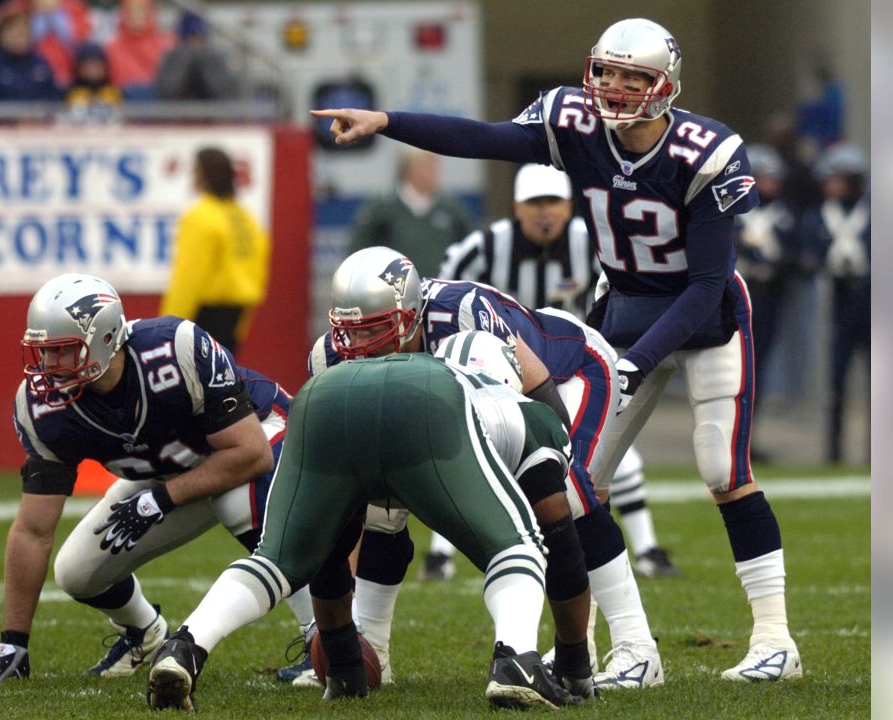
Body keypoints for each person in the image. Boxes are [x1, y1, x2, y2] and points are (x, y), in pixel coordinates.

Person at [311, 17, 803, 681]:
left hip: (707, 320)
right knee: (577, 489)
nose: (617, 88)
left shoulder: (703, 151)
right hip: (624, 309)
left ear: (665, 85)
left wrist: (637, 362)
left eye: (634, 78)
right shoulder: (574, 123)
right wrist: (387, 120)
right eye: (608, 72)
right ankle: (613, 649)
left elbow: (706, 282)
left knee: (722, 470)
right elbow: (482, 139)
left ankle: (774, 639)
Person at [145, 347, 586, 711]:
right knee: (520, 545)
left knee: (277, 559)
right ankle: (516, 659)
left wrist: (343, 663)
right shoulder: (523, 410)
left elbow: (335, 554)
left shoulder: (394, 365)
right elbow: (560, 536)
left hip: (322, 398)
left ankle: (185, 647)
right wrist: (575, 662)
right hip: (428, 410)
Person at [304, 247, 663, 690]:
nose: (358, 346)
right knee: (381, 507)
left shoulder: (463, 315)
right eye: (349, 331)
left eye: (375, 329)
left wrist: (550, 462)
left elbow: (538, 394)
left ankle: (637, 646)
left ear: (409, 315)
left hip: (568, 374)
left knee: (565, 496)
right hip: (490, 402)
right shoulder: (331, 359)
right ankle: (372, 646)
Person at [0, 273, 313, 683]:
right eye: (42, 353)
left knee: (234, 498)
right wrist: (13, 643)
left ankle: (323, 639)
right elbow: (33, 529)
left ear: (102, 341)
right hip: (176, 468)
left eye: (62, 352)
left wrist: (160, 499)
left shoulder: (174, 349)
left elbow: (250, 454)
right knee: (77, 571)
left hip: (264, 435)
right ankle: (145, 632)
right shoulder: (43, 410)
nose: (48, 367)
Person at [439, 162, 680, 579]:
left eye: (552, 202)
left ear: (570, 207)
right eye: (534, 203)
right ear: (517, 207)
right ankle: (441, 554)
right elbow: (443, 287)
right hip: (495, 373)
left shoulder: (593, 245)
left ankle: (648, 549)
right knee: (466, 449)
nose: (544, 212)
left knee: (608, 458)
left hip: (572, 367)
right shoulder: (484, 248)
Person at [160, 147, 271, 355]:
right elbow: (255, 274)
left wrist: (167, 326)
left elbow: (188, 276)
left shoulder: (200, 217)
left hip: (203, 316)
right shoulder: (246, 218)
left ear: (203, 175)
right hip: (236, 315)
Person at [799, 143, 870, 464]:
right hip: (837, 303)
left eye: (836, 178)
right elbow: (806, 252)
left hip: (871, 302)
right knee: (835, 383)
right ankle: (834, 453)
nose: (829, 184)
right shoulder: (820, 216)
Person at [734, 145, 799, 441]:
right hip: (737, 297)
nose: (773, 183)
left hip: (769, 294)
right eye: (766, 176)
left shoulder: (783, 213)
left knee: (756, 369)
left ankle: (747, 439)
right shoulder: (734, 208)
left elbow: (794, 253)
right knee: (731, 371)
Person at [348, 148, 475, 277]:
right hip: (396, 292)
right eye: (427, 166)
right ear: (409, 169)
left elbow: (471, 249)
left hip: (442, 291)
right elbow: (359, 252)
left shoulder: (451, 208)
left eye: (436, 166)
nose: (435, 172)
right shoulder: (382, 208)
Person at [0, 9, 61, 102]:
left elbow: (54, 99)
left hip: (36, 116)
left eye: (24, 30)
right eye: (13, 29)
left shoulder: (40, 63)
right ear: (1, 34)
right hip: (1, 116)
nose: (19, 34)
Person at [156, 12, 240, 101]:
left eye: (199, 38)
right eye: (191, 39)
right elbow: (167, 92)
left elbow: (225, 94)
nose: (195, 44)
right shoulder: (172, 58)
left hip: (211, 112)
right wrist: (184, 61)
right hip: (178, 112)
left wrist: (205, 64)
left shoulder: (214, 57)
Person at [105, 0, 174, 99]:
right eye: (131, 11)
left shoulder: (167, 45)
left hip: (160, 106)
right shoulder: (111, 48)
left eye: (141, 11)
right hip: (123, 104)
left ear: (151, 13)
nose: (136, 16)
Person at [64, 42, 123, 112]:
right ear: (78, 68)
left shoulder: (114, 92)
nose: (92, 70)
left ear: (105, 67)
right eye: (87, 66)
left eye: (97, 65)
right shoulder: (70, 94)